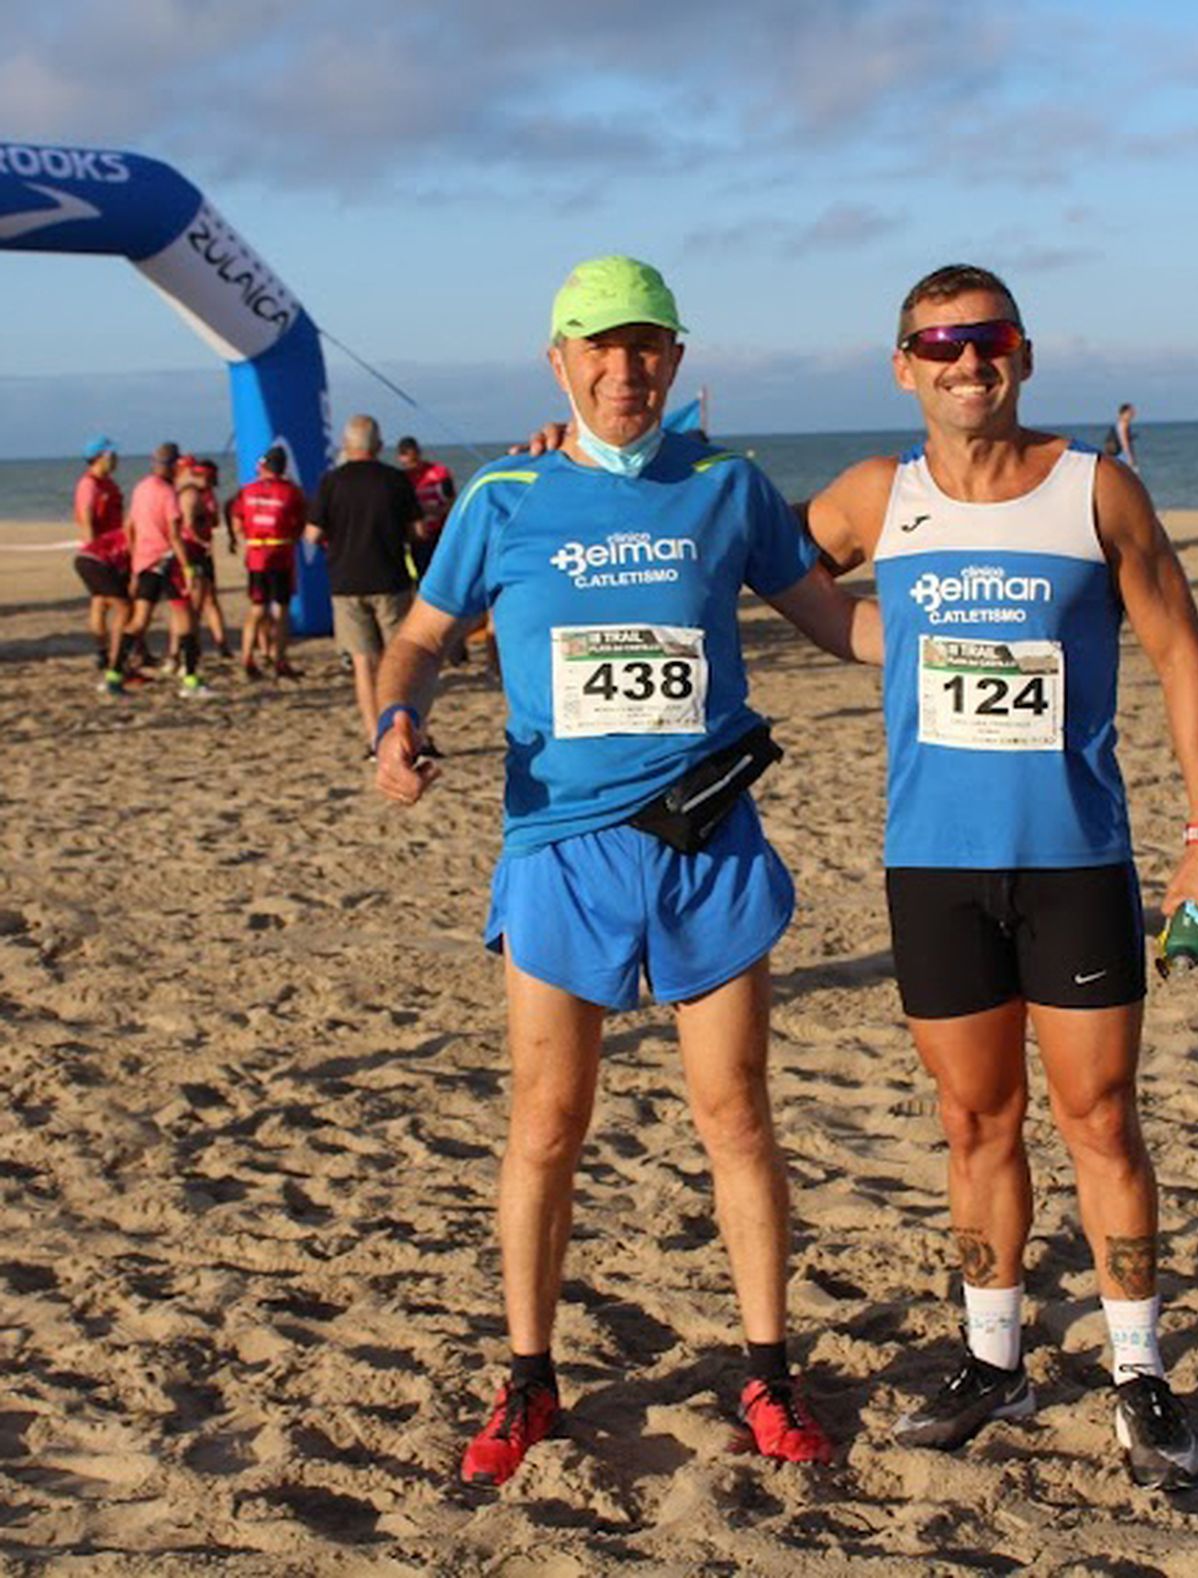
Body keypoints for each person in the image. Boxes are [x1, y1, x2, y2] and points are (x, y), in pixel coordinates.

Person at [372, 255, 880, 1487]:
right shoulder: (502, 495)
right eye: (600, 346)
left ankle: (768, 1371)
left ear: (676, 361)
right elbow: (425, 637)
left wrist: (975, 629)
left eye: (647, 345)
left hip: (708, 845)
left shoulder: (727, 487)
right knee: (547, 1124)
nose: (624, 367)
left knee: (737, 1118)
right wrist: (394, 718)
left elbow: (835, 622)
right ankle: (529, 1378)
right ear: (558, 362)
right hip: (559, 851)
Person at [801, 264, 1198, 1489]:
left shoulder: (1093, 489)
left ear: (1022, 353)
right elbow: (749, 565)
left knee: (1101, 1121)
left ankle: (1139, 1373)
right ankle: (993, 1364)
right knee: (970, 1122)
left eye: (984, 339)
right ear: (903, 367)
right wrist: (869, 637)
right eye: (936, 344)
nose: (963, 363)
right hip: (931, 866)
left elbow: (1180, 653)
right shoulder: (870, 498)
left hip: (1075, 862)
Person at [305, 414, 427, 755]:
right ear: (378, 445)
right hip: (390, 578)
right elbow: (418, 531)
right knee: (402, 659)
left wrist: (339, 536)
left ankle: (375, 735)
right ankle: (412, 732)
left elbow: (312, 535)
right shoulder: (395, 480)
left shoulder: (332, 482)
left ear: (347, 445)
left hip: (346, 581)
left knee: (363, 662)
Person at [109, 441, 209, 698]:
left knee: (139, 621)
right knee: (186, 617)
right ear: (174, 465)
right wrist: (187, 567)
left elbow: (129, 525)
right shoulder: (167, 493)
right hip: (166, 560)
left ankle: (114, 674)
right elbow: (175, 535)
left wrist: (134, 562)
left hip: (144, 561)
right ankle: (190, 679)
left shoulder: (141, 488)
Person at [233, 445, 306, 679]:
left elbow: (236, 519)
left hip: (256, 555)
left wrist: (245, 536)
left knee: (256, 609)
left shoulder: (248, 490)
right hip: (280, 554)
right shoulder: (291, 491)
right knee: (281, 610)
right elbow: (301, 522)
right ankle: (279, 660)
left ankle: (247, 658)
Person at [72, 435, 131, 687]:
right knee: (109, 603)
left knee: (101, 601)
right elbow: (86, 519)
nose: (115, 459)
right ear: (99, 457)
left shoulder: (109, 483)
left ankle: (108, 650)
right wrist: (98, 549)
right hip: (100, 553)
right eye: (111, 455)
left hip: (115, 549)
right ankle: (104, 651)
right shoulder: (89, 485)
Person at [174, 455, 232, 663]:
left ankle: (222, 644)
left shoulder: (207, 495)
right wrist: (201, 540)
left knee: (210, 599)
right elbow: (187, 526)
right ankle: (187, 646)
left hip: (204, 552)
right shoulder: (188, 494)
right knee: (193, 603)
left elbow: (214, 521)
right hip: (193, 550)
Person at [395, 435, 456, 581]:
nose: (412, 466)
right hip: (416, 536)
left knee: (443, 574)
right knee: (421, 575)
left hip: (439, 531)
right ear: (400, 459)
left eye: (414, 460)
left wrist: (435, 511)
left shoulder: (438, 473)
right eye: (408, 462)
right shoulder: (401, 478)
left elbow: (452, 501)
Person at [1103, 402, 1139, 472]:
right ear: (1124, 413)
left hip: (1114, 454)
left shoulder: (1119, 423)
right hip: (1120, 454)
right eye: (1130, 412)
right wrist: (1130, 458)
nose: (1133, 414)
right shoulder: (1123, 424)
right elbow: (1124, 442)